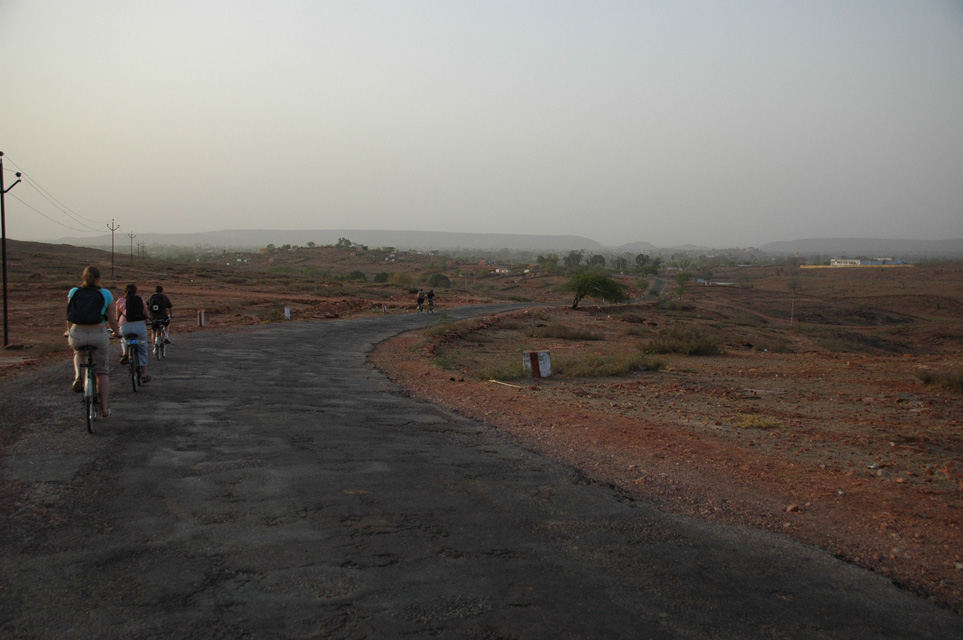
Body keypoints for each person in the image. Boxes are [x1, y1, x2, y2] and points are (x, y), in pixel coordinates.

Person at [66, 266, 121, 417]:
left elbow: (70, 315)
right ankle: (104, 408)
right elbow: (111, 319)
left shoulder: (74, 292)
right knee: (102, 372)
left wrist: (69, 331)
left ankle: (78, 376)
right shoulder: (106, 294)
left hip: (77, 333)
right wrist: (117, 333)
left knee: (79, 353)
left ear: (83, 278)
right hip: (98, 334)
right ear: (99, 279)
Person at [116, 283, 151, 383]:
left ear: (125, 292)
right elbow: (146, 314)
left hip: (125, 326)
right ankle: (144, 374)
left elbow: (116, 317)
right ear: (136, 291)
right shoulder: (141, 300)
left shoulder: (120, 301)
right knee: (142, 350)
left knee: (124, 339)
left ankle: (125, 354)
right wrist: (148, 320)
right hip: (140, 327)